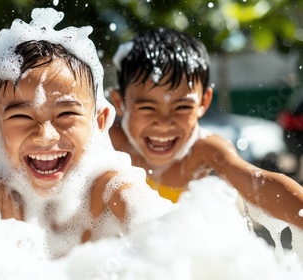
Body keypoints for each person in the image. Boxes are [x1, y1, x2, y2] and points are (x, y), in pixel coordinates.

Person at [0, 7, 173, 259]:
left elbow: (162, 232)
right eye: (21, 116)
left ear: (99, 121)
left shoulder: (108, 188)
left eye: (66, 115)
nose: (45, 135)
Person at [108, 27, 303, 230]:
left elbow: (258, 183)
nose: (165, 123)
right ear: (119, 102)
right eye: (147, 107)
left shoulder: (202, 149)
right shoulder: (109, 142)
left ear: (203, 102)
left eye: (182, 107)